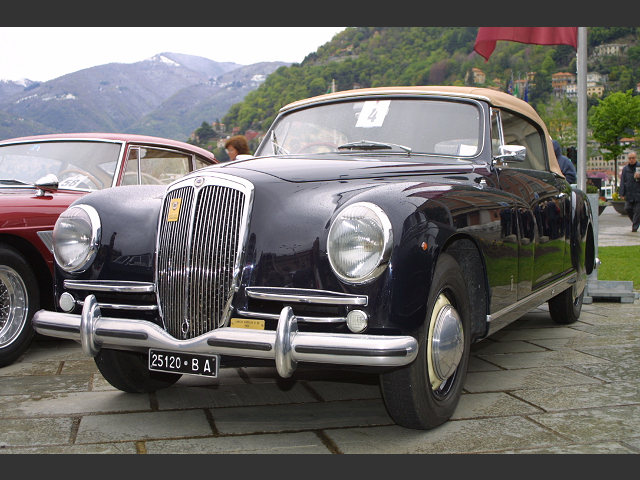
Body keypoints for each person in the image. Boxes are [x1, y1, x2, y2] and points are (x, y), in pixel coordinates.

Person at [619, 151, 640, 232]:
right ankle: (636, 222)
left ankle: (634, 228)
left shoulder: (639, 166)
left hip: (638, 193)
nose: (631, 160)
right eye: (630, 158)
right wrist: (621, 193)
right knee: (627, 208)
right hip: (629, 193)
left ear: (636, 158)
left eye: (633, 158)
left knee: (637, 211)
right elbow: (622, 181)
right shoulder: (625, 169)